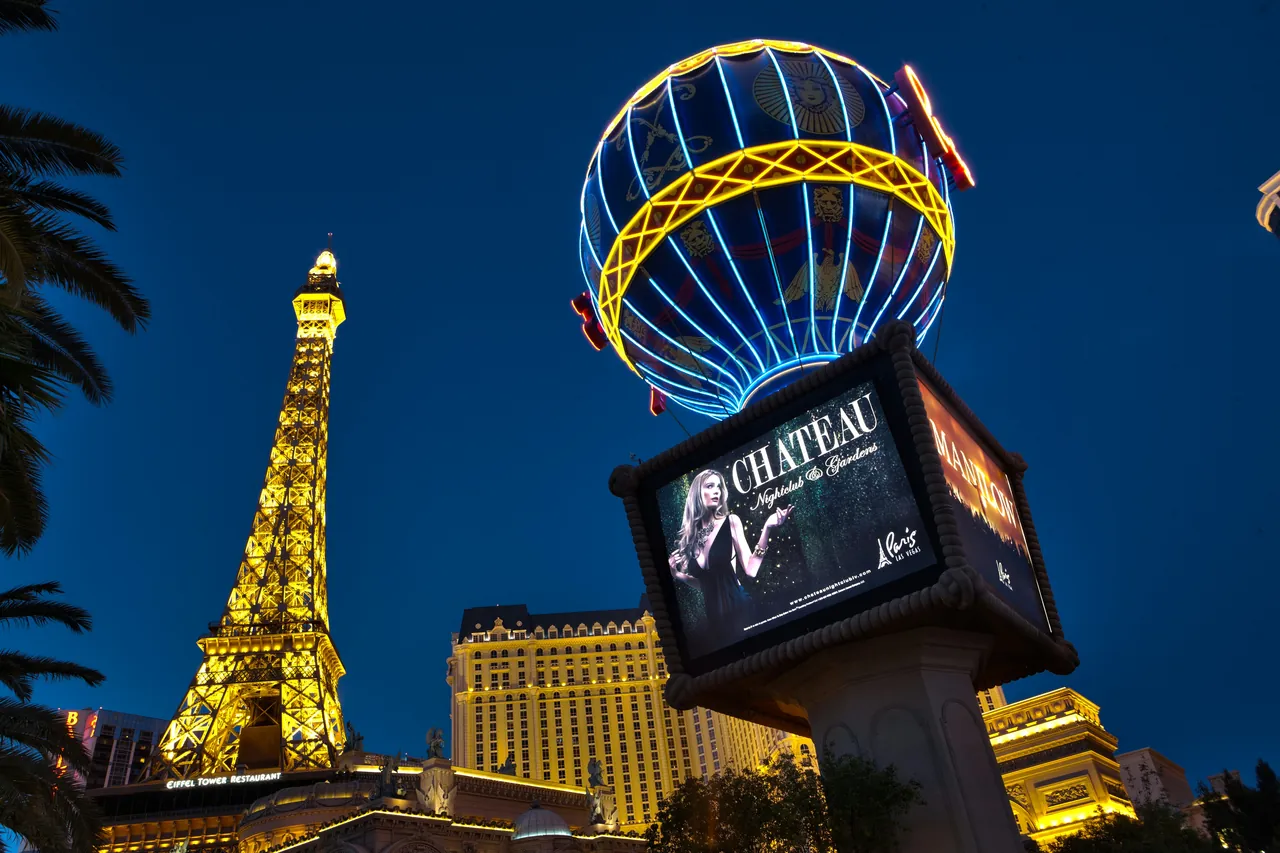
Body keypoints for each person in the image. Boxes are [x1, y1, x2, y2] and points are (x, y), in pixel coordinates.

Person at [668, 469, 793, 634]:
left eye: (718, 486)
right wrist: (677, 575)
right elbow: (705, 584)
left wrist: (767, 529)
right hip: (716, 622)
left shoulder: (731, 522)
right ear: (697, 493)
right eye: (710, 486)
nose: (716, 491)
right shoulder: (689, 539)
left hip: (740, 610)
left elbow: (751, 570)